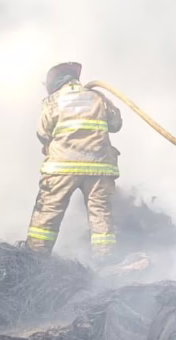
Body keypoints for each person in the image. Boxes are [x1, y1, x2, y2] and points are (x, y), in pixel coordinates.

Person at [25, 62, 124, 263]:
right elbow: (116, 124)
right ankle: (105, 261)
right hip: (99, 168)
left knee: (48, 213)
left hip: (62, 169)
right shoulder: (98, 98)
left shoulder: (53, 101)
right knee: (100, 214)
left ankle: (35, 259)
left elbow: (42, 134)